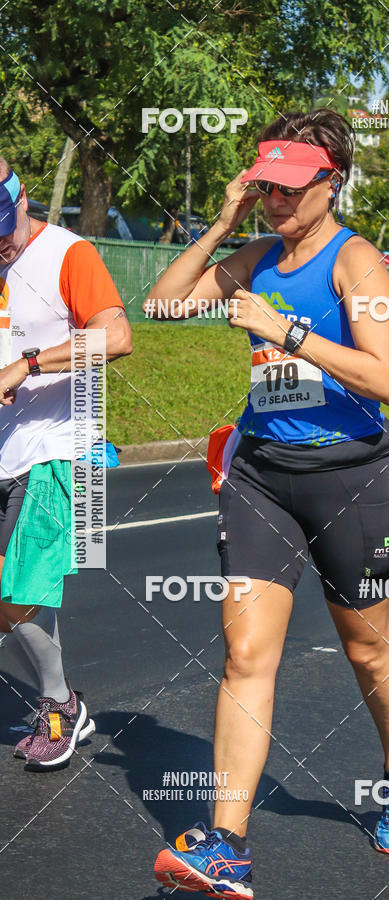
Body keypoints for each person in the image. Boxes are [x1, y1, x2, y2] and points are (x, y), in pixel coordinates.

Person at [149, 109, 389, 898]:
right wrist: (222, 221)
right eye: (267, 185)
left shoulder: (356, 261)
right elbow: (162, 307)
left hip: (352, 478)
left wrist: (288, 329)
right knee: (244, 655)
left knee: (368, 649)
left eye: (291, 188)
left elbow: (386, 380)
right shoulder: (256, 251)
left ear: (331, 183)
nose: (276, 200)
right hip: (264, 473)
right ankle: (225, 846)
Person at [0, 159, 132, 769]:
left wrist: (28, 363)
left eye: (3, 223)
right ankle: (62, 702)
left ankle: (59, 707)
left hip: (55, 449)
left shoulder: (67, 254)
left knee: (15, 593)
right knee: (8, 602)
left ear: (22, 197)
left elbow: (114, 336)